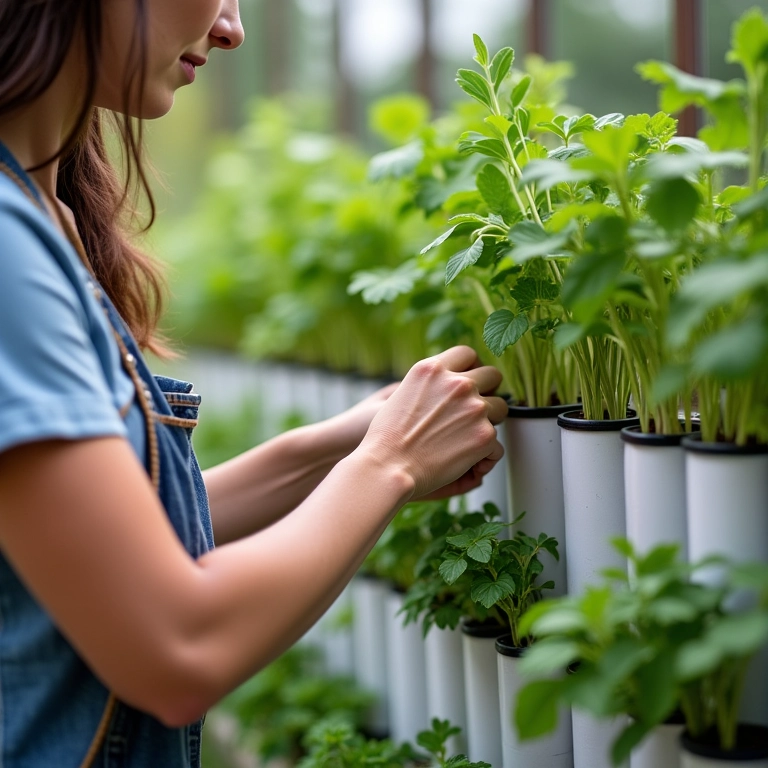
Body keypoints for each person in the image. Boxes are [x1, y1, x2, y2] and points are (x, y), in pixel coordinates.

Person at [0, 1, 507, 766]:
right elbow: (177, 646)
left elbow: (110, 541)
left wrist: (340, 446)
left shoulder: (44, 218)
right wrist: (387, 466)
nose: (232, 27)